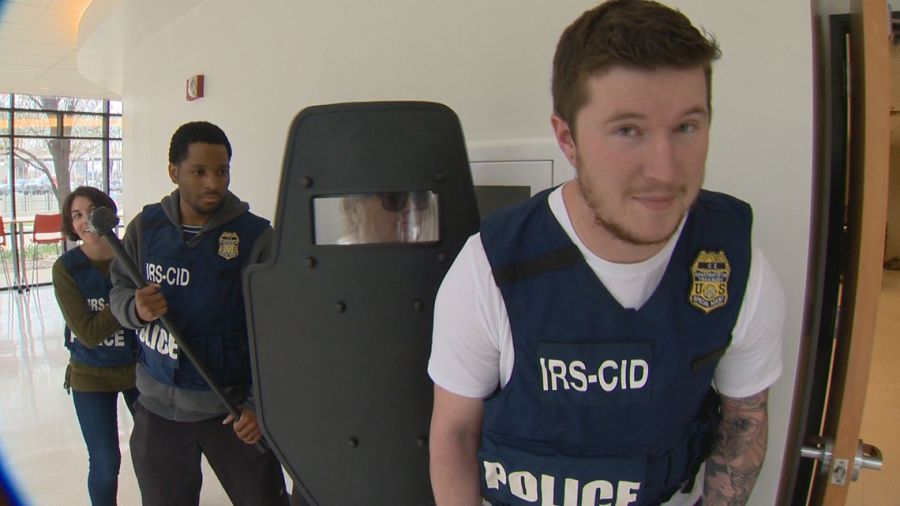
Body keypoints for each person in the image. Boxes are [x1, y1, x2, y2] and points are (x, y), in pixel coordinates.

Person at [427, 1, 785, 505]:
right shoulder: (489, 268)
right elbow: (455, 433)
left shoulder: (735, 266)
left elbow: (744, 417)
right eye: (628, 130)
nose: (664, 170)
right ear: (567, 139)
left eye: (686, 126)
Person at [109, 121, 289, 506]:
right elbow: (118, 289)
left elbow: (279, 332)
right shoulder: (146, 227)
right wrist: (135, 307)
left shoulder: (255, 237)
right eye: (199, 172)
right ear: (173, 172)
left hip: (231, 411)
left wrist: (258, 406)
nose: (213, 183)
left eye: (222, 171)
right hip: (157, 409)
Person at [52, 185, 140, 506]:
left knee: (153, 453)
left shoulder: (132, 258)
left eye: (92, 211)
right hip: (90, 374)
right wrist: (130, 304)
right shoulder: (66, 268)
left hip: (140, 371)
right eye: (76, 215)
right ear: (71, 224)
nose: (85, 220)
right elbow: (87, 333)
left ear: (108, 213)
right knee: (105, 462)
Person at [338, 190, 438, 244]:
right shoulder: (340, 267)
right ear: (355, 210)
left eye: (419, 197)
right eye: (394, 198)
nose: (410, 208)